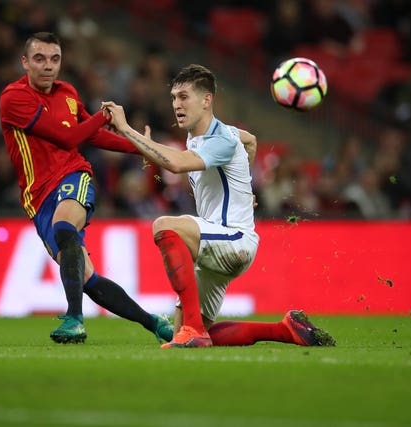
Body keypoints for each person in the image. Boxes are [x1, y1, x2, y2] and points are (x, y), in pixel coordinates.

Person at [103, 64, 336, 348]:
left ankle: (193, 329)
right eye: (174, 97)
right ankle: (284, 330)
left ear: (206, 100)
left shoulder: (221, 139)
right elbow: (250, 141)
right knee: (183, 339)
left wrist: (126, 129)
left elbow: (175, 163)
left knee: (164, 226)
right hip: (217, 243)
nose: (177, 104)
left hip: (233, 239)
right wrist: (244, 187)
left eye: (184, 96)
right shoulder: (216, 135)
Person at [0, 32, 173, 344]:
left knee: (65, 228)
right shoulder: (14, 99)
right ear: (25, 62)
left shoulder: (67, 92)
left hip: (73, 176)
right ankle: (155, 323)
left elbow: (88, 137)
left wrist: (137, 146)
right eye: (39, 59)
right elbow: (69, 136)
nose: (48, 66)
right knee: (88, 278)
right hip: (38, 199)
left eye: (55, 59)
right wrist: (104, 116)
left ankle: (74, 319)